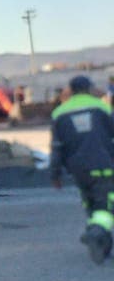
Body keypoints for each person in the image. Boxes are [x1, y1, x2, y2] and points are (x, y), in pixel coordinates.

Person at [48, 76, 114, 264]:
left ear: (71, 90)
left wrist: (55, 174)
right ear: (89, 88)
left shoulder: (59, 113)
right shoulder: (102, 108)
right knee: (107, 207)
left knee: (93, 207)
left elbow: (56, 147)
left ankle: (102, 248)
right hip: (103, 166)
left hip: (78, 170)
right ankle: (94, 234)